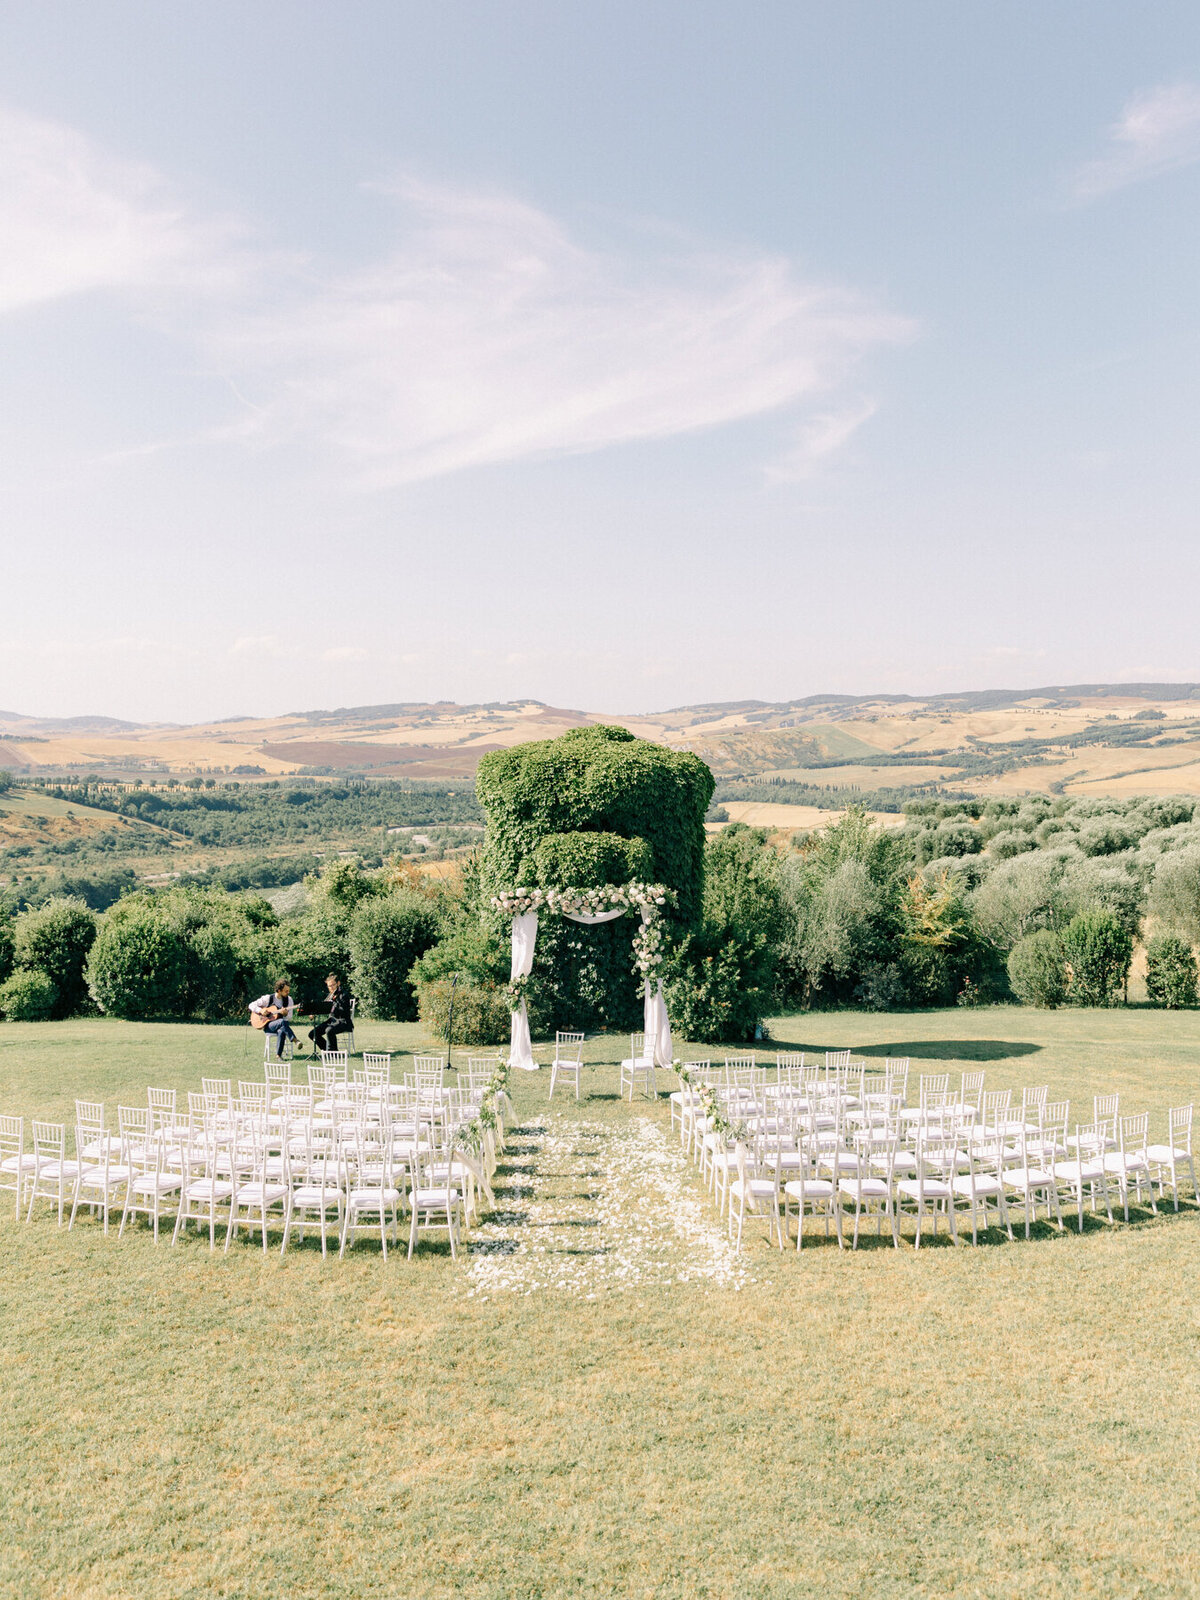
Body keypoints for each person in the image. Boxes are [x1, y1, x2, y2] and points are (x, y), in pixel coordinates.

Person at [249, 980, 298, 1060]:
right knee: (282, 1022)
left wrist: (285, 1014)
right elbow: (251, 1005)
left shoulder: (289, 1000)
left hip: (282, 1026)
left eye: (289, 990)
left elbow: (289, 1017)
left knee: (281, 1029)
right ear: (279, 991)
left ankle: (278, 1056)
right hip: (268, 1025)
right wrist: (260, 1011)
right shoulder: (268, 998)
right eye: (286, 991)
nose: (288, 992)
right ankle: (295, 1040)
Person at [310, 973, 353, 1055]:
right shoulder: (330, 995)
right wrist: (314, 1013)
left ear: (338, 983)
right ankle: (328, 1051)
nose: (331, 988)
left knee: (329, 1030)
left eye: (333, 985)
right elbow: (323, 1007)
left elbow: (343, 1011)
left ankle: (333, 1053)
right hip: (332, 1021)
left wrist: (333, 1005)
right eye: (329, 986)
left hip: (343, 1021)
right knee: (313, 1033)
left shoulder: (343, 995)